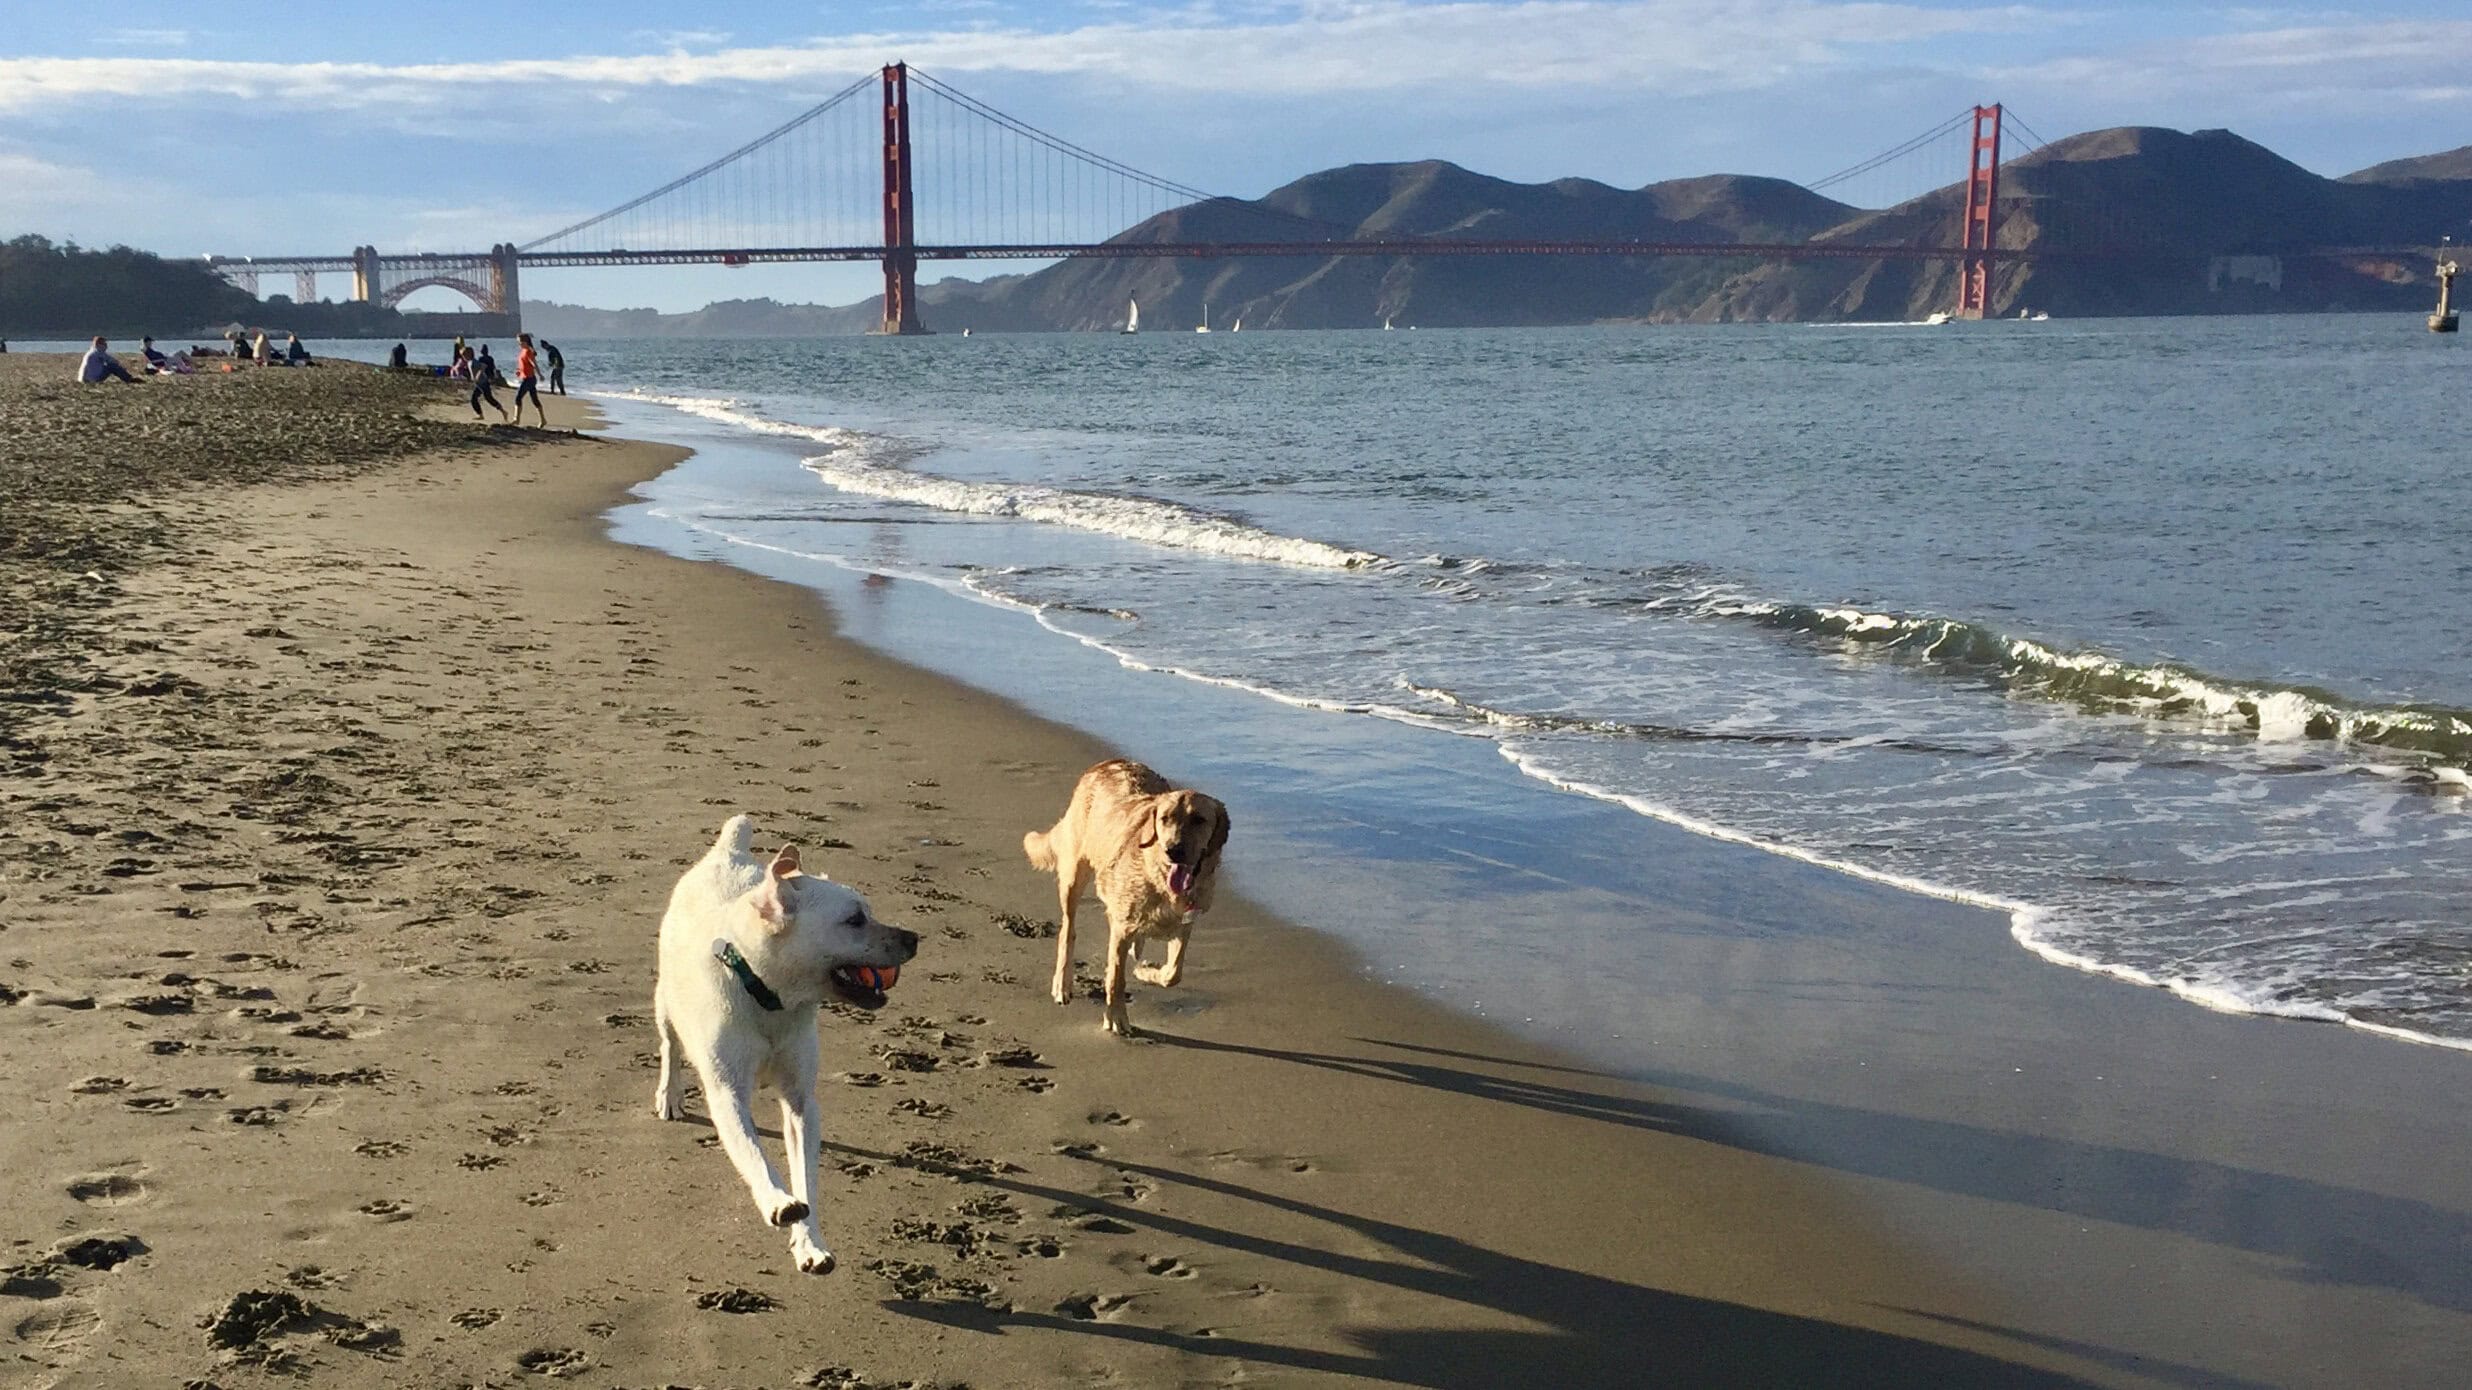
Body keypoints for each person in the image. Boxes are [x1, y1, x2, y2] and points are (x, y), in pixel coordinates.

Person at [509, 333, 547, 426]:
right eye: (518, 342)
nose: (519, 344)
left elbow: (534, 364)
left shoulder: (528, 352)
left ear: (525, 342)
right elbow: (522, 364)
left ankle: (516, 419)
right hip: (525, 377)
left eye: (520, 342)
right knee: (534, 399)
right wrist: (518, 371)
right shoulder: (522, 351)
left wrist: (540, 374)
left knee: (518, 397)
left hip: (529, 379)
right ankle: (543, 420)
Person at [469, 344, 508, 421]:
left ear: (481, 351)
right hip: (488, 378)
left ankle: (502, 412)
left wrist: (477, 376)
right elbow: (493, 367)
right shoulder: (490, 358)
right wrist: (494, 376)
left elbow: (481, 368)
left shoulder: (481, 358)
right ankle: (481, 414)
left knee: (486, 398)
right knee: (484, 398)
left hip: (483, 379)